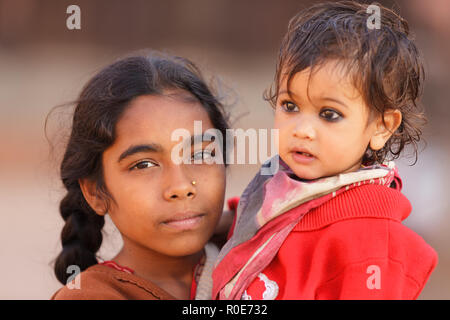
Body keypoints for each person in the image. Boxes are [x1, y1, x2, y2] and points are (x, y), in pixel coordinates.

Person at [212, 1, 438, 300]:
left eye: (329, 114)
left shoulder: (372, 245)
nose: (302, 130)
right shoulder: (275, 191)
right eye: (290, 106)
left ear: (381, 127)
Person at [50, 51, 233, 300]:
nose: (181, 186)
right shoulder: (93, 296)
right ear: (96, 192)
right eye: (144, 164)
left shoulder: (261, 260)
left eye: (201, 155)